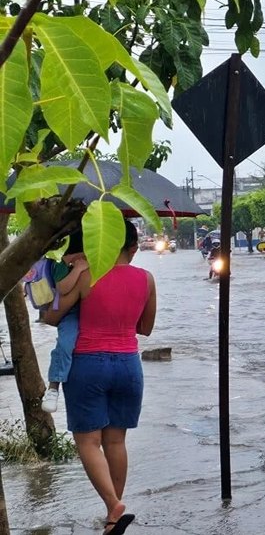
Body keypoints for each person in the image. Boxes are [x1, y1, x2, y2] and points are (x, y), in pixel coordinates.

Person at [46, 219, 157, 535]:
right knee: (116, 440)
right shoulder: (146, 279)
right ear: (131, 248)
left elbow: (52, 316)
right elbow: (145, 328)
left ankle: (113, 505)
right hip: (128, 364)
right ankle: (113, 516)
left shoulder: (88, 274)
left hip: (88, 364)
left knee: (87, 441)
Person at [40, 231, 90, 413]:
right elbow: (62, 287)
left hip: (89, 307)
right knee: (65, 344)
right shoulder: (60, 262)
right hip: (70, 312)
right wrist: (78, 269)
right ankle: (54, 386)